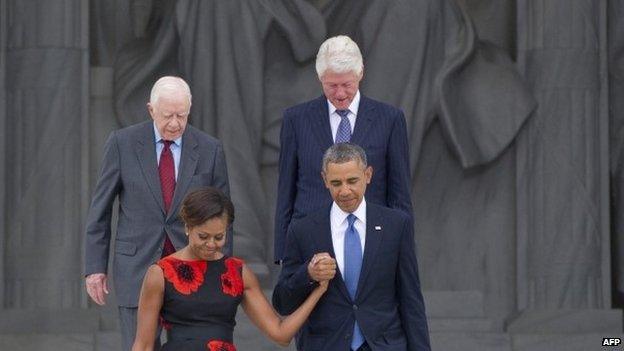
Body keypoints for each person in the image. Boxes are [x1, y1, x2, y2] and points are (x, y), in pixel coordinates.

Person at [84, 76, 230, 350]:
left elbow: (223, 217)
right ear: (151, 110)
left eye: (182, 116)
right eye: (167, 116)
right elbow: (100, 209)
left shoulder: (210, 149)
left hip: (193, 268)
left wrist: (221, 271)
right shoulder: (122, 143)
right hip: (136, 266)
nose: (175, 123)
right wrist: (95, 268)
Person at [273, 143, 430, 351]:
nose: (345, 191)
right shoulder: (303, 229)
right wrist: (308, 273)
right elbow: (282, 303)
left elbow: (411, 300)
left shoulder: (396, 225)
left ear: (368, 175)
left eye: (352, 181)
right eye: (336, 183)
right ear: (324, 180)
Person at [132, 187, 330, 350]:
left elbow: (281, 334)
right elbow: (143, 345)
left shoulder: (237, 272)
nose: (211, 244)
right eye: (203, 236)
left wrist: (317, 290)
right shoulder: (160, 273)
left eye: (219, 237)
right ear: (187, 227)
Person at [274, 35, 413, 263]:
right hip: (310, 242)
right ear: (320, 78)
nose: (340, 94)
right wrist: (282, 252)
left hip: (371, 243)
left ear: (360, 74)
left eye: (347, 84)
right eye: (332, 85)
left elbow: (400, 194)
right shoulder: (296, 119)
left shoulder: (389, 119)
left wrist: (404, 253)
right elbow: (286, 191)